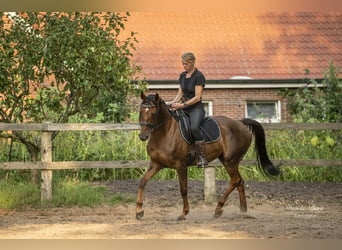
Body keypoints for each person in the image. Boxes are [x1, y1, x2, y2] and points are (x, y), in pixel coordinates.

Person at [168, 52, 208, 168]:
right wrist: (173, 102)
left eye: (186, 64)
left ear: (192, 63)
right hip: (184, 107)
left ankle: (202, 157)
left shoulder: (199, 76)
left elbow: (197, 97)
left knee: (194, 128)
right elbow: (180, 93)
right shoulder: (182, 76)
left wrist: (182, 105)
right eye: (183, 64)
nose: (184, 66)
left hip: (195, 108)